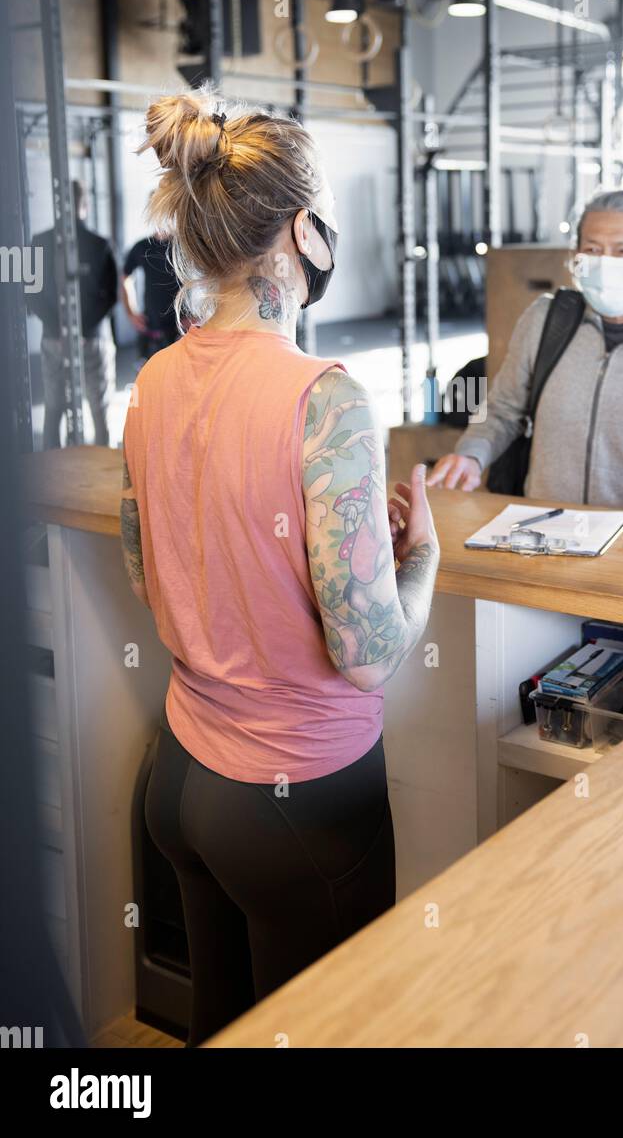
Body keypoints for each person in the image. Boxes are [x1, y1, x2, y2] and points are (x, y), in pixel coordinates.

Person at [121, 92, 439, 1046]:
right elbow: (368, 651)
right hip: (295, 799)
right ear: (304, 229)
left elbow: (150, 567)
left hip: (179, 779)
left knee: (220, 1025)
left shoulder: (153, 379)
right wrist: (416, 557)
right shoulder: (325, 399)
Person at [429, 176, 623, 518]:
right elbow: (503, 410)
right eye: (593, 249)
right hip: (545, 533)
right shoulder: (545, 321)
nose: (605, 262)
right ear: (577, 257)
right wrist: (471, 454)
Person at [29, 180, 117, 448]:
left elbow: (28, 293)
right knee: (99, 411)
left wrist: (60, 330)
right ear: (85, 205)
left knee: (53, 410)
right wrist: (80, 329)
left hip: (53, 340)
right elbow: (111, 295)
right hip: (92, 340)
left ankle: (50, 476)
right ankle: (103, 479)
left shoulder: (38, 242)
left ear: (58, 206)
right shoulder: (100, 244)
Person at [121, 229, 183, 358]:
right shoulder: (142, 246)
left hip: (181, 329)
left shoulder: (184, 245)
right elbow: (125, 277)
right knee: (149, 375)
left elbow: (205, 278)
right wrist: (130, 312)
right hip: (151, 327)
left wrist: (196, 316)